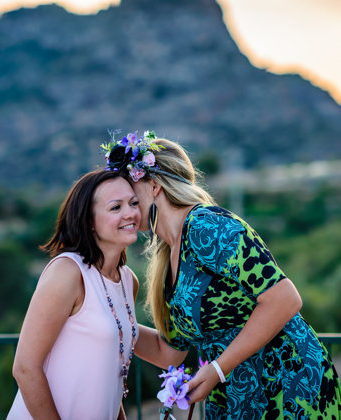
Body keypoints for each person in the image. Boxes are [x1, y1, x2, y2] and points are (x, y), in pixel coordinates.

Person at [101, 130, 341, 419]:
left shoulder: (206, 227)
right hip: (237, 399)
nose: (123, 201)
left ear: (154, 186)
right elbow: (169, 353)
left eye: (130, 191)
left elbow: (284, 299)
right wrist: (110, 324)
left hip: (289, 388)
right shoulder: (169, 261)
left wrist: (217, 369)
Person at [7, 169, 141, 420]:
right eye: (116, 207)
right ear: (89, 221)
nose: (130, 213)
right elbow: (25, 368)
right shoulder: (68, 272)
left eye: (134, 203)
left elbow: (108, 381)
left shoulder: (127, 281)